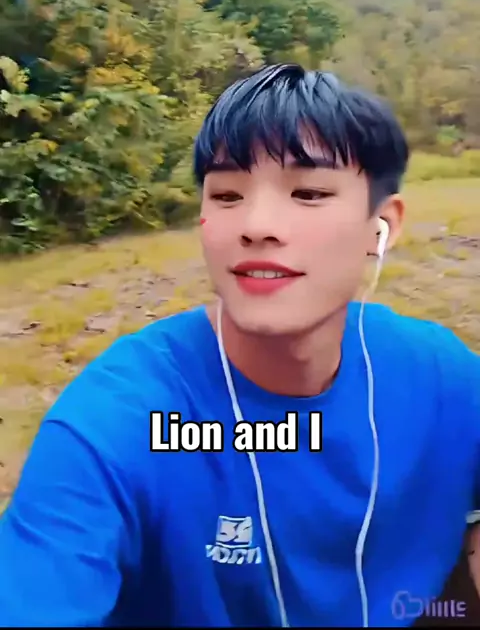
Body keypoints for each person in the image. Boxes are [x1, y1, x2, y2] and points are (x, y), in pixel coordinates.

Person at [0, 62, 479, 628]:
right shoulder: (114, 425)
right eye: (227, 195)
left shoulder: (445, 377)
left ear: (383, 226)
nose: (257, 225)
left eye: (308, 192)